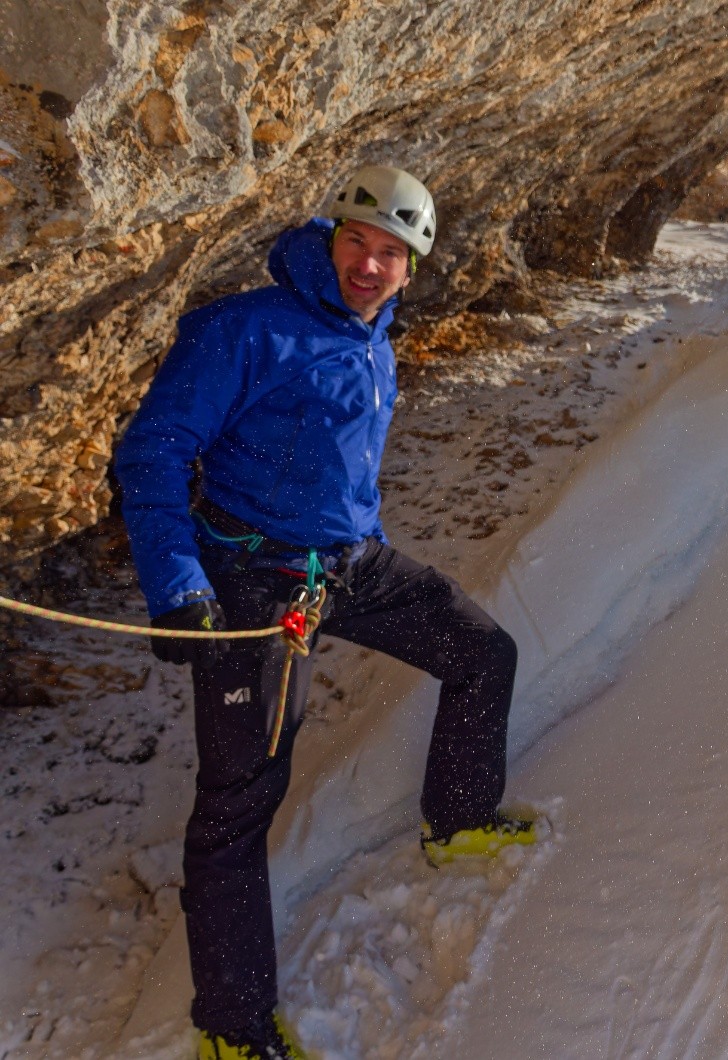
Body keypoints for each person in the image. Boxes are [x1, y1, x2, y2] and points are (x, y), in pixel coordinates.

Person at [115, 165, 535, 1060]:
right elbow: (153, 451)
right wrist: (181, 587)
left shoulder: (375, 340)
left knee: (481, 652)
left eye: (392, 253)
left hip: (344, 564)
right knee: (239, 802)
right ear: (327, 234)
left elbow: (345, 469)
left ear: (412, 268)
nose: (371, 267)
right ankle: (231, 1029)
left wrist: (365, 537)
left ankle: (457, 822)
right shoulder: (245, 329)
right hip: (251, 582)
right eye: (358, 243)